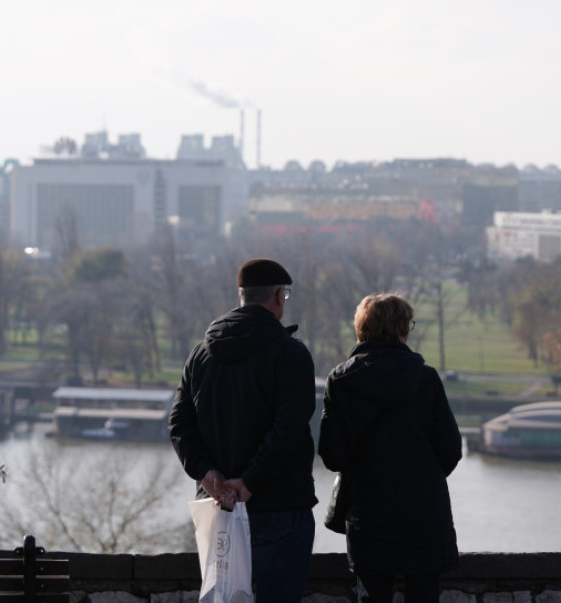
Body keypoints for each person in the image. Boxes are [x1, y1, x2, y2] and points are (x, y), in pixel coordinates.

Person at [169, 257, 318, 603]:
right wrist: (249, 483)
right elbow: (289, 429)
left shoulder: (200, 355)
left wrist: (208, 476)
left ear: (241, 296)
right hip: (280, 507)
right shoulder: (290, 355)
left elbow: (179, 423)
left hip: (218, 510)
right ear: (279, 296)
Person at [318, 293, 462, 603]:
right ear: (401, 329)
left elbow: (332, 455)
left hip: (367, 515)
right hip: (425, 514)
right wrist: (423, 478)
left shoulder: (341, 381)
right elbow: (451, 449)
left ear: (362, 328)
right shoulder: (426, 379)